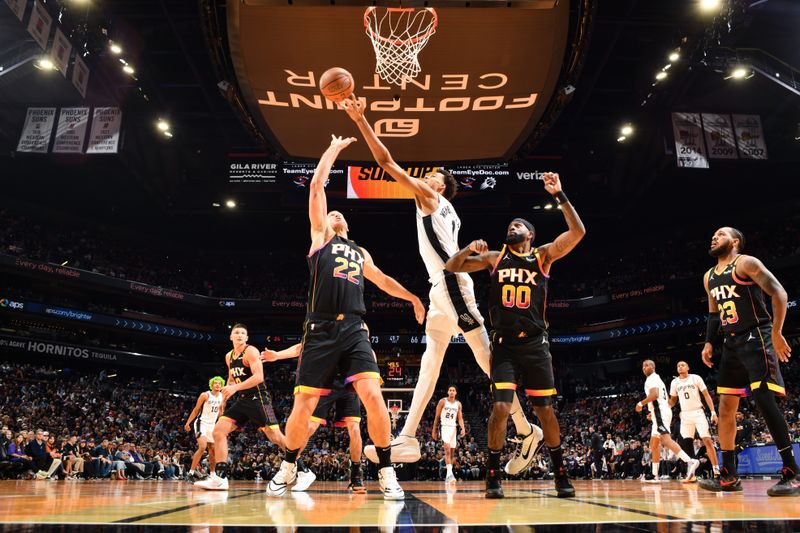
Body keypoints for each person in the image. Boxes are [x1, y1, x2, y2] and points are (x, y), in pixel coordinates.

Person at [341, 96, 541, 476]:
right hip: (440, 288)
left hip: (451, 283)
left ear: (441, 187)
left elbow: (385, 163)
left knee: (485, 355)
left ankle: (525, 429)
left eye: (432, 175)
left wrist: (362, 118)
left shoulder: (431, 198)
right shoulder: (448, 210)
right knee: (430, 363)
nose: (425, 176)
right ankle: (409, 436)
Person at [265, 135, 425, 500]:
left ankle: (385, 470)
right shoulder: (320, 238)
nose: (335, 213)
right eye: (332, 212)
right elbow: (317, 186)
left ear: (348, 225)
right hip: (319, 328)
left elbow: (382, 280)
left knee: (373, 394)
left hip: (355, 327)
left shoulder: (359, 251)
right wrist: (333, 149)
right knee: (303, 403)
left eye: (341, 214)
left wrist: (413, 297)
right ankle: (289, 463)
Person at [444, 171, 584, 498]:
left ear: (530, 235)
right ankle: (493, 475)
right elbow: (452, 267)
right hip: (504, 347)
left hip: (536, 344)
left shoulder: (543, 255)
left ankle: (560, 472)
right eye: (509, 225)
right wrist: (467, 249)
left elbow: (578, 231)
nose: (512, 227)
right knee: (500, 410)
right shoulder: (495, 258)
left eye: (518, 225)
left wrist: (559, 194)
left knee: (545, 410)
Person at [699, 227, 799, 496]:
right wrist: (709, 342)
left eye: (720, 234)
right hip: (731, 342)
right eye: (713, 234)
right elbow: (713, 313)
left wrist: (777, 333)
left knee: (764, 399)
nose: (714, 237)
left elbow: (779, 293)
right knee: (725, 407)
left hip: (757, 335)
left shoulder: (746, 262)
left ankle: (792, 472)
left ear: (735, 241)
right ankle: (729, 475)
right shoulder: (709, 276)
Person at [262, 343, 367, 493]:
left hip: (347, 384)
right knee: (309, 427)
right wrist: (277, 355)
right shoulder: (323, 328)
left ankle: (356, 474)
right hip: (325, 383)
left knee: (354, 429)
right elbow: (301, 347)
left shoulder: (352, 328)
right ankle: (292, 468)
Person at [195, 324, 286, 490]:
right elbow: (231, 379)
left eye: (243, 333)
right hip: (242, 400)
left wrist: (235, 388)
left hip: (258, 398)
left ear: (247, 338)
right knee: (218, 431)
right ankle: (220, 478)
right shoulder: (229, 356)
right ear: (230, 336)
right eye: (236, 332)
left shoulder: (251, 351)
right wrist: (223, 401)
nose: (239, 335)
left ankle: (302, 468)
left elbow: (259, 377)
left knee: (275, 437)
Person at [635, 360, 700, 484]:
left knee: (665, 440)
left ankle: (690, 461)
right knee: (653, 445)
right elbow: (659, 398)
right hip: (659, 412)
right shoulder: (656, 379)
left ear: (653, 367)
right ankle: (655, 475)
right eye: (643, 366)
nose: (644, 367)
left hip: (660, 412)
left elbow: (654, 394)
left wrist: (640, 404)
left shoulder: (652, 378)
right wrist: (652, 412)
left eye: (647, 365)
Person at [668, 361, 720, 482]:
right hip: (685, 415)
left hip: (698, 412)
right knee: (686, 444)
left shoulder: (695, 378)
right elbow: (673, 401)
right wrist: (661, 408)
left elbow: (706, 395)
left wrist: (713, 412)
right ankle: (692, 474)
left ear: (688, 367)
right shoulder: (674, 382)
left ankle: (716, 470)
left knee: (707, 439)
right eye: (678, 366)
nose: (680, 367)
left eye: (683, 365)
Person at [184, 376, 226, 481]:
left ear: (222, 386)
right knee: (202, 447)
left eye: (219, 383)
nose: (217, 385)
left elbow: (221, 413)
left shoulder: (222, 397)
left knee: (212, 450)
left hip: (212, 425)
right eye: (215, 383)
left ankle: (212, 475)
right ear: (211, 385)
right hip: (201, 423)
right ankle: (191, 473)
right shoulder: (205, 395)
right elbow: (196, 410)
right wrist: (188, 423)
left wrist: (222, 426)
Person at [431, 386, 465, 484]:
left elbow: (460, 418)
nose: (451, 392)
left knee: (452, 453)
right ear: (447, 392)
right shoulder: (442, 402)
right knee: (447, 451)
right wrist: (434, 430)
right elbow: (437, 417)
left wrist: (463, 428)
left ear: (456, 393)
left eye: (453, 390)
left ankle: (448, 476)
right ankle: (450, 475)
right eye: (450, 390)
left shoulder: (458, 404)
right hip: (444, 426)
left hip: (453, 428)